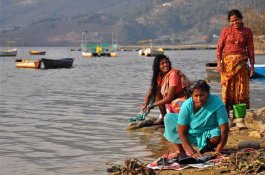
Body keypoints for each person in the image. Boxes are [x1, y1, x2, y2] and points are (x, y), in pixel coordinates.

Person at [163, 80, 229, 158]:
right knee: (168, 118)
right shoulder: (186, 106)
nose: (199, 99)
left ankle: (208, 149)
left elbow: (224, 130)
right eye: (196, 96)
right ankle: (181, 151)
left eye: (202, 95)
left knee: (216, 134)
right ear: (192, 95)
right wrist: (193, 153)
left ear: (208, 93)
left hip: (208, 133)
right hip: (191, 132)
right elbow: (181, 132)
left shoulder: (217, 104)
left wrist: (217, 152)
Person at [216, 9, 255, 114]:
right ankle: (226, 115)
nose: (234, 23)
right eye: (232, 21)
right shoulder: (225, 31)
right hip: (227, 66)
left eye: (236, 20)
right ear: (229, 22)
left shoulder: (247, 31)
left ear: (241, 19)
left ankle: (240, 115)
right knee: (227, 89)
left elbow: (251, 49)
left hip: (241, 64)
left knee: (241, 89)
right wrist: (219, 63)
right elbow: (219, 48)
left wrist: (252, 66)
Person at [141, 54, 190, 125]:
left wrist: (152, 105)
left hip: (180, 102)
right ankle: (164, 117)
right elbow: (150, 92)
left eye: (167, 62)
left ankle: (169, 118)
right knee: (156, 92)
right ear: (158, 66)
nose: (166, 65)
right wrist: (145, 105)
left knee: (174, 104)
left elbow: (169, 98)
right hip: (170, 102)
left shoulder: (173, 75)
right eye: (162, 63)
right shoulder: (159, 76)